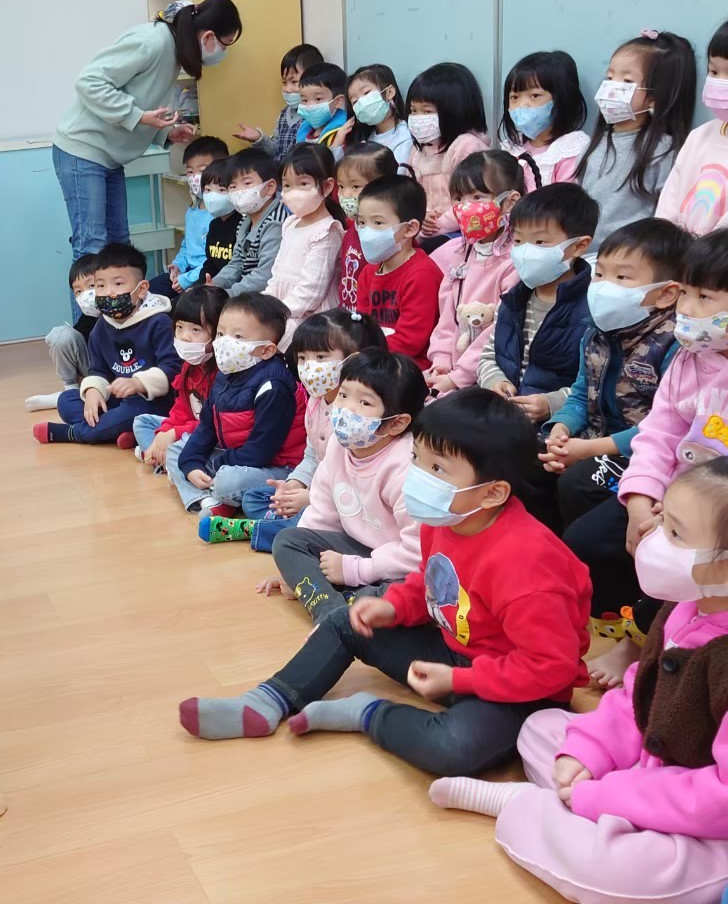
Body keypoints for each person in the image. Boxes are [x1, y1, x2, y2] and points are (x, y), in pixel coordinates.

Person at [183, 388, 590, 779]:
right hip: (456, 653)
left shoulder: (527, 564)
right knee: (346, 621)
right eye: (417, 458)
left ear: (493, 492)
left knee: (454, 747)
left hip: (523, 689)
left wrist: (461, 681)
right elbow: (431, 582)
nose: (417, 476)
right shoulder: (449, 519)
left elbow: (549, 668)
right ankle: (268, 700)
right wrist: (393, 606)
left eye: (437, 469)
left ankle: (367, 713)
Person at [430, 458, 728, 904]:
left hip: (709, 827)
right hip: (651, 777)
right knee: (542, 729)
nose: (651, 536)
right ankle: (581, 811)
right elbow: (636, 696)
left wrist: (610, 794)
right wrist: (590, 753)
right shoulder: (686, 606)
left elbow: (719, 800)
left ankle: (529, 808)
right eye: (663, 518)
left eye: (676, 535)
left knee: (632, 873)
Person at [571, 228, 728, 688]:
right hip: (674, 496)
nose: (687, 309)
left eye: (705, 297)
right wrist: (640, 497)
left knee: (679, 560)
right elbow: (659, 434)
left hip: (713, 511)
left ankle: (644, 644)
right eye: (685, 293)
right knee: (592, 537)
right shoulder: (689, 360)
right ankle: (648, 633)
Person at [523, 218, 686, 535]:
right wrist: (561, 428)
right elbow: (582, 394)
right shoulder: (596, 333)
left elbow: (666, 428)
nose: (602, 285)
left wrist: (589, 449)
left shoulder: (674, 345)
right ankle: (543, 546)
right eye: (600, 274)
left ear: (666, 294)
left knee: (578, 483)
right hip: (591, 441)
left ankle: (578, 557)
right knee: (528, 459)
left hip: (638, 455)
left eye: (622, 277)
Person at [51, 0, 240, 263]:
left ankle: (119, 307)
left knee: (119, 247)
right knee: (91, 250)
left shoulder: (174, 53)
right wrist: (137, 116)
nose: (223, 52)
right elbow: (89, 82)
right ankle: (88, 307)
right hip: (83, 149)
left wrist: (165, 132)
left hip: (109, 156)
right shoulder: (153, 42)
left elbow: (141, 103)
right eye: (225, 44)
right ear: (208, 36)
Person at [258, 349, 425, 622]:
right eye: (344, 395)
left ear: (396, 423)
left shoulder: (407, 467)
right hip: (356, 547)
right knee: (288, 541)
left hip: (400, 564)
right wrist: (298, 570)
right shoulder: (339, 444)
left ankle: (343, 613)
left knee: (380, 599)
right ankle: (331, 615)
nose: (346, 408)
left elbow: (418, 553)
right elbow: (321, 509)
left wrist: (357, 571)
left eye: (365, 403)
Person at [200, 309, 386, 550]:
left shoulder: (355, 418)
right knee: (254, 498)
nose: (309, 366)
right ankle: (281, 525)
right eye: (302, 358)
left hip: (347, 502)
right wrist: (294, 484)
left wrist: (312, 498)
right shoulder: (316, 402)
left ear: (353, 361)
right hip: (318, 491)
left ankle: (260, 531)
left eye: (321, 357)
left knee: (321, 523)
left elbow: (355, 480)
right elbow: (311, 457)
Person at [169, 293, 306, 516]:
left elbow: (260, 451)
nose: (224, 342)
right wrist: (192, 463)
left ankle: (217, 496)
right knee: (176, 452)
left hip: (277, 466)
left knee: (228, 481)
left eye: (238, 336)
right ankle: (208, 501)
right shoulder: (226, 373)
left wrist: (214, 465)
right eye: (221, 333)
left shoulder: (274, 386)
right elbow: (206, 426)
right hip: (235, 455)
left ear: (266, 350)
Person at [477, 182, 598, 425]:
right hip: (503, 415)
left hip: (556, 427)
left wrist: (551, 404)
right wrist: (494, 382)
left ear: (579, 245)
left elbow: (597, 384)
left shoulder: (594, 309)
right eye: (519, 241)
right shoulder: (514, 299)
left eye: (540, 242)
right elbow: (489, 356)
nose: (524, 252)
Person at [35, 243, 180, 445]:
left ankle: (75, 433)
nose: (109, 293)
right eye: (101, 285)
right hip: (118, 400)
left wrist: (138, 383)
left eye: (118, 284)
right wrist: (94, 390)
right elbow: (98, 370)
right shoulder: (101, 327)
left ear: (142, 289)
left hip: (152, 402)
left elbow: (173, 369)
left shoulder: (159, 323)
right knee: (67, 402)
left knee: (133, 411)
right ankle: (125, 431)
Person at [577, 30, 696, 250]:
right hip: (583, 256)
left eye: (627, 80)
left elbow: (667, 216)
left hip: (629, 261)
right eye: (610, 78)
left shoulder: (664, 151)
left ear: (654, 96)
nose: (612, 86)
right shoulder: (592, 144)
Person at [425, 150, 530, 394]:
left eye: (478, 197)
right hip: (450, 372)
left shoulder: (515, 259)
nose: (465, 207)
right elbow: (447, 316)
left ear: (510, 201)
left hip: (487, 378)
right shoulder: (461, 251)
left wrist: (459, 376)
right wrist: (440, 362)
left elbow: (498, 329)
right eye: (459, 198)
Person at [132, 284, 227, 469]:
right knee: (141, 422)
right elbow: (181, 408)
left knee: (180, 448)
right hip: (190, 430)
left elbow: (215, 426)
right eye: (179, 327)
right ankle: (162, 456)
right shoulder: (189, 366)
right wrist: (165, 432)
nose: (184, 337)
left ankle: (161, 459)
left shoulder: (222, 373)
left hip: (210, 437)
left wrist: (174, 433)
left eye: (195, 330)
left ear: (218, 333)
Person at [353, 175, 442, 370]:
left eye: (377, 223)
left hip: (408, 366)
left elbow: (410, 341)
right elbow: (361, 325)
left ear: (410, 228)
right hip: (374, 358)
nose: (366, 232)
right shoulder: (369, 272)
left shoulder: (422, 274)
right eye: (361, 223)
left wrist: (363, 355)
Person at [263, 143, 346, 344]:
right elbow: (276, 274)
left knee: (270, 338)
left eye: (303, 184)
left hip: (312, 318)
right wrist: (263, 305)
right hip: (283, 309)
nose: (293, 192)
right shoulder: (290, 224)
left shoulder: (327, 231)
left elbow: (311, 293)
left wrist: (274, 315)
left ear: (326, 186)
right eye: (288, 185)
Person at [406, 63, 490, 252]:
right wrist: (420, 216)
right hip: (422, 229)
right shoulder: (418, 149)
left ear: (454, 110)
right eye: (413, 111)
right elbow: (410, 192)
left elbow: (473, 201)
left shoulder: (466, 146)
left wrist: (436, 225)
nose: (418, 118)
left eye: (427, 111)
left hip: (458, 232)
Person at [657, 19, 728, 236]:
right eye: (714, 72)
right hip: (678, 259)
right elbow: (668, 207)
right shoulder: (700, 136)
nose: (719, 83)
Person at [151, 136, 230, 299]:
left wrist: (188, 279)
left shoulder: (222, 213)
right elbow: (187, 245)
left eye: (202, 170)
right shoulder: (193, 208)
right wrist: (178, 266)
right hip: (185, 274)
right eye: (190, 171)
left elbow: (215, 261)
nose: (195, 178)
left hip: (204, 277)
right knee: (148, 294)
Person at [498, 50, 590, 187]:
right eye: (514, 97)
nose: (522, 106)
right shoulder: (512, 147)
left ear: (561, 99)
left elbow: (564, 202)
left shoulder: (569, 147)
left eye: (534, 95)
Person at [25, 253, 100, 412]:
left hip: (119, 375)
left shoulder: (119, 315)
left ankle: (72, 397)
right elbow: (75, 355)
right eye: (78, 291)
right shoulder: (87, 320)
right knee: (62, 335)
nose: (85, 295)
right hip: (93, 375)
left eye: (91, 286)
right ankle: (71, 393)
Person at [212, 149, 287, 297]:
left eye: (247, 183)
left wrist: (227, 295)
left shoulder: (276, 222)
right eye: (233, 187)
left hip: (266, 298)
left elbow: (264, 276)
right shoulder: (245, 221)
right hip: (246, 294)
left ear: (270, 187)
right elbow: (237, 263)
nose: (239, 191)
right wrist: (215, 285)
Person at [233, 43, 324, 163]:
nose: (287, 89)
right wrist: (259, 139)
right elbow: (275, 149)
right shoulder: (284, 113)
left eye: (294, 81)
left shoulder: (317, 116)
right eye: (284, 82)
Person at [335, 143, 399, 310]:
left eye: (355, 186)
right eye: (341, 186)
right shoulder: (350, 231)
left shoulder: (390, 237)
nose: (346, 195)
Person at [331, 63, 412, 167]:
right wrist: (337, 142)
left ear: (390, 92)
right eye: (355, 101)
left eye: (366, 93)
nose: (361, 102)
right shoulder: (365, 139)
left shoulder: (405, 136)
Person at [196, 158, 242, 284]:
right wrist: (200, 286)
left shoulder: (243, 225)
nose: (212, 197)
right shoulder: (214, 225)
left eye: (221, 190)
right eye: (208, 190)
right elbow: (210, 263)